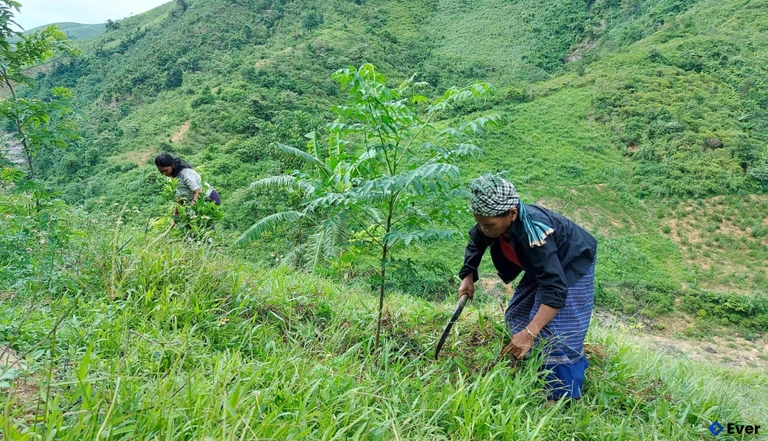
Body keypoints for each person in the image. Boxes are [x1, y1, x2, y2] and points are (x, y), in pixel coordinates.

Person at [458, 175, 597, 401]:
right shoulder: (491, 224)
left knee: (555, 331)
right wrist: (467, 275)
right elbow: (476, 240)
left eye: (489, 224)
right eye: (480, 222)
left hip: (570, 260)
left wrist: (531, 333)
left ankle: (560, 396)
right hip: (539, 264)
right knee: (519, 314)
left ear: (512, 214)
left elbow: (555, 290)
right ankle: (533, 364)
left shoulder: (535, 234)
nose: (484, 229)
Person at [154, 153, 220, 207]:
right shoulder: (171, 178)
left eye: (166, 170)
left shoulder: (185, 174)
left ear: (173, 165)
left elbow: (198, 192)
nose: (164, 173)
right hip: (197, 200)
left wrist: (191, 208)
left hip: (209, 199)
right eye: (161, 171)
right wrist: (175, 219)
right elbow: (179, 200)